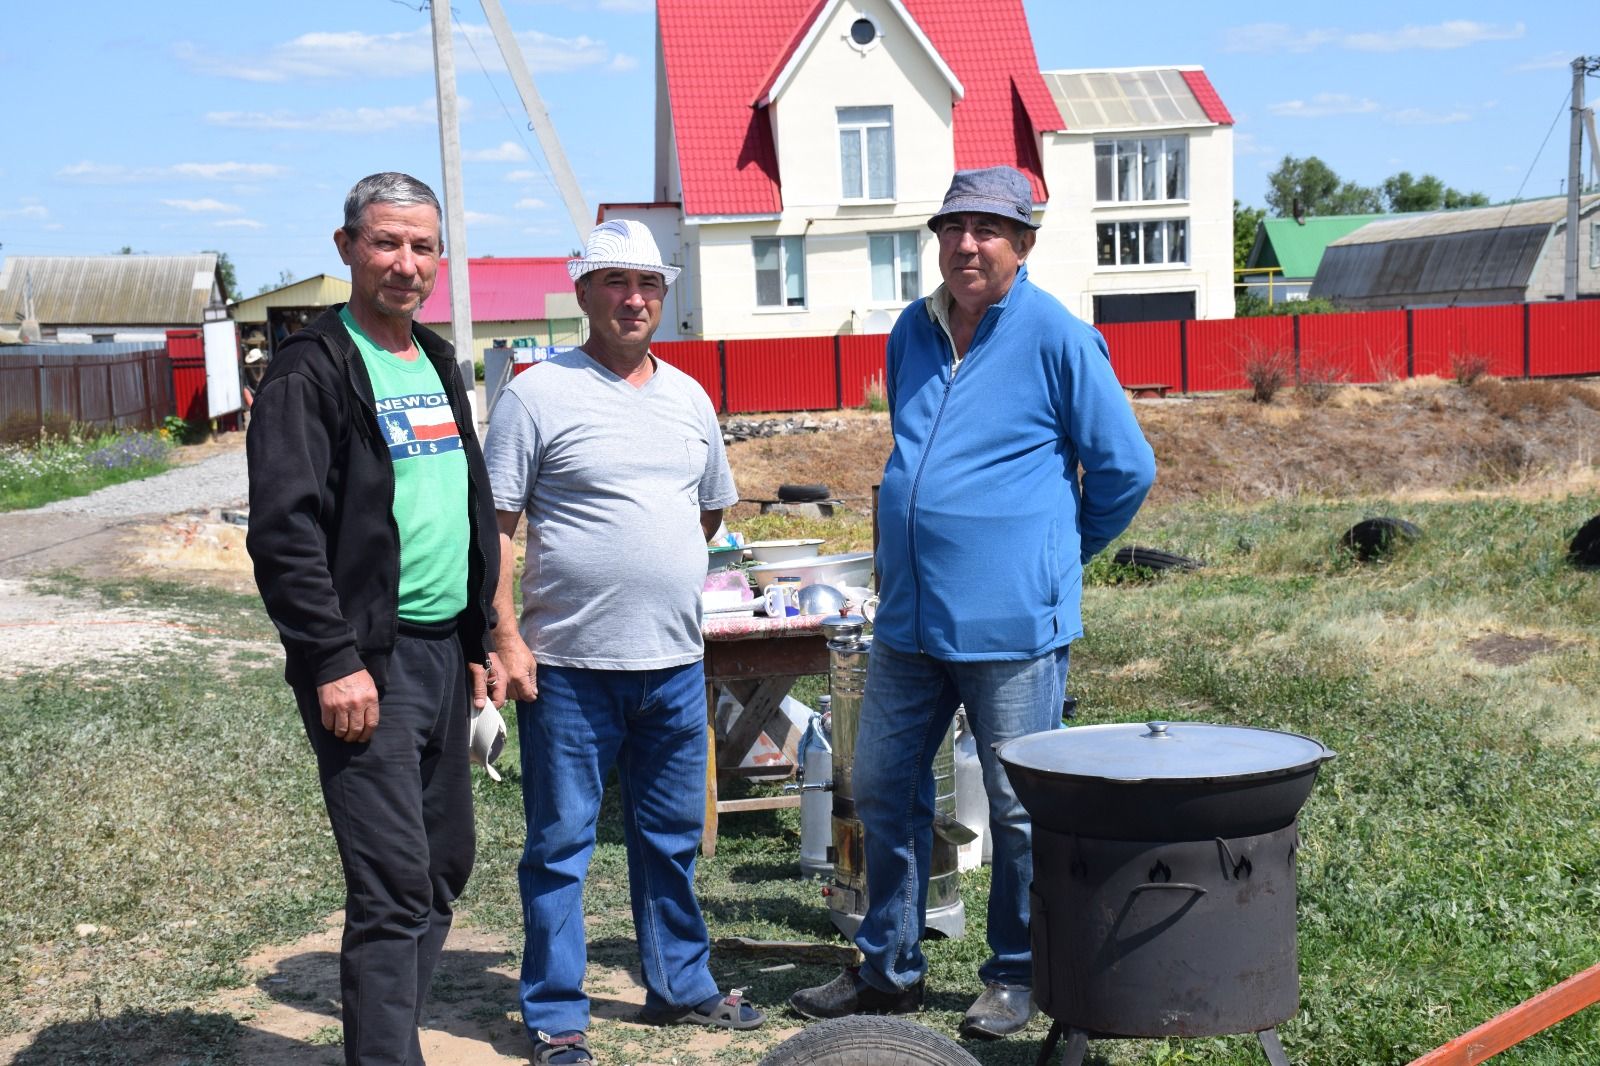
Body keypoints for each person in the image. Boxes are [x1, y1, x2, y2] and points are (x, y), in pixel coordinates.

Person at [790, 166, 1156, 1038]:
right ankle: (890, 967)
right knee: (880, 786)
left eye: (988, 229)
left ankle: (1018, 976)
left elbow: (1125, 469)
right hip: (912, 620)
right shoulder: (910, 334)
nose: (965, 245)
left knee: (1020, 807)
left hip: (1012, 625)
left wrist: (1055, 557)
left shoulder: (1058, 337)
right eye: (952, 228)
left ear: (1022, 244)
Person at [485, 219, 763, 1065]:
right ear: (583, 294)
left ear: (663, 298)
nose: (634, 298)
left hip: (674, 664)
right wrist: (504, 634)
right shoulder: (535, 394)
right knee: (562, 845)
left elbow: (708, 509)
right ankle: (557, 1014)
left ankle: (680, 986)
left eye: (648, 285)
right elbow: (496, 528)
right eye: (615, 282)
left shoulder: (689, 398)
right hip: (567, 667)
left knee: (670, 839)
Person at [245, 171, 506, 1066]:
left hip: (440, 654)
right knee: (394, 885)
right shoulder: (309, 370)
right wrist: (330, 657)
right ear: (347, 246)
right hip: (368, 664)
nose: (405, 263)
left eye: (422, 246)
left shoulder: (433, 360)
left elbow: (464, 504)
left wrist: (479, 642)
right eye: (387, 243)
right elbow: (283, 535)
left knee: (441, 870)